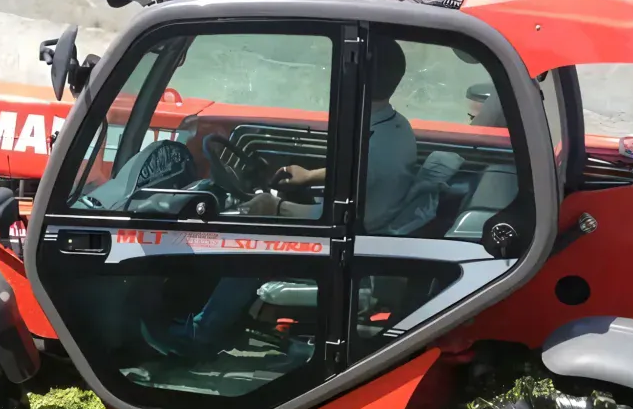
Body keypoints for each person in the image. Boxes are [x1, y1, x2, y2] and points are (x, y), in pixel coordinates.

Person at [143, 38, 442, 360]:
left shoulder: (379, 147)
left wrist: (279, 208)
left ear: (359, 80)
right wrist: (310, 176)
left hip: (354, 247)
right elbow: (360, 169)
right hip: (360, 224)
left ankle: (201, 336)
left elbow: (358, 220)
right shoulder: (392, 128)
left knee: (254, 244)